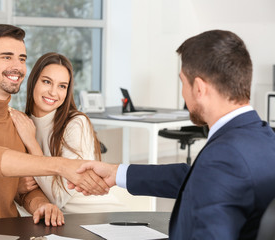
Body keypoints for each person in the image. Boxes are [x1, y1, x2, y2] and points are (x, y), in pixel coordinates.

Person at [71, 30, 275, 239]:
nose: (182, 93)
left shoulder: (224, 157)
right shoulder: (264, 137)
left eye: (183, 83)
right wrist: (117, 173)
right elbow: (198, 178)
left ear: (199, 88)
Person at [0, 24, 108, 226]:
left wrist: (41, 204)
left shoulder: (19, 123)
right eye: (7, 57)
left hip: (12, 233)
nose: (18, 66)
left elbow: (25, 190)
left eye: (22, 59)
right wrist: (61, 166)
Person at [10, 52, 126, 214]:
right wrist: (17, 188)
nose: (53, 92)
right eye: (46, 82)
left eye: (62, 86)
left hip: (99, 217)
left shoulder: (75, 123)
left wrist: (31, 142)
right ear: (33, 81)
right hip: (60, 223)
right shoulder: (23, 123)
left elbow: (58, 197)